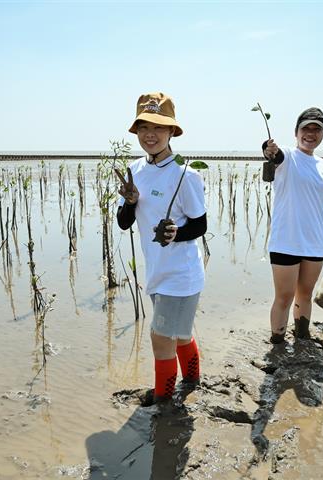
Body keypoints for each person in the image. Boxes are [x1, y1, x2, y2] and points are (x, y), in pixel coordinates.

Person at [116, 92, 207, 403]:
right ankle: (192, 381)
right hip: (157, 272)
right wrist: (130, 202)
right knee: (180, 335)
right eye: (143, 127)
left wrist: (174, 234)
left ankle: (164, 402)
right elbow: (123, 222)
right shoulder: (135, 171)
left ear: (172, 132)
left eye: (158, 127)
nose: (150, 134)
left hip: (180, 275)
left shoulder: (185, 174)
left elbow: (200, 225)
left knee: (160, 338)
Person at [262, 107, 323, 344]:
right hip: (286, 241)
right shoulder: (287, 156)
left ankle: (302, 337)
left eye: (316, 129)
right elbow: (273, 156)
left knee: (305, 295)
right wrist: (269, 150)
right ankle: (277, 341)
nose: (310, 134)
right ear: (296, 132)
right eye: (305, 128)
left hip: (314, 244)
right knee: (284, 297)